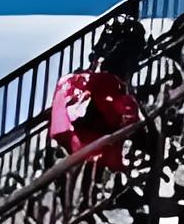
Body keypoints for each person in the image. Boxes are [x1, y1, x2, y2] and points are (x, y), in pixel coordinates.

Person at [50, 16, 148, 169]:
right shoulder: (107, 84)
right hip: (95, 150)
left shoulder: (70, 81)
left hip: (73, 146)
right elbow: (124, 116)